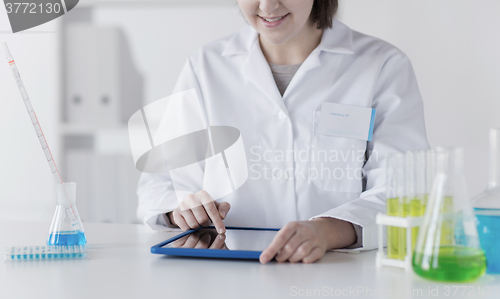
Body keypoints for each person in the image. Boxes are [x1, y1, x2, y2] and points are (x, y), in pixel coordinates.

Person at [137, 0, 430, 263]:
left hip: (337, 272)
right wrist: (180, 210)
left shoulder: (382, 66)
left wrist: (326, 232)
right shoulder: (205, 66)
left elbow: (404, 189)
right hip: (226, 274)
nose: (267, 6)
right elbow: (158, 182)